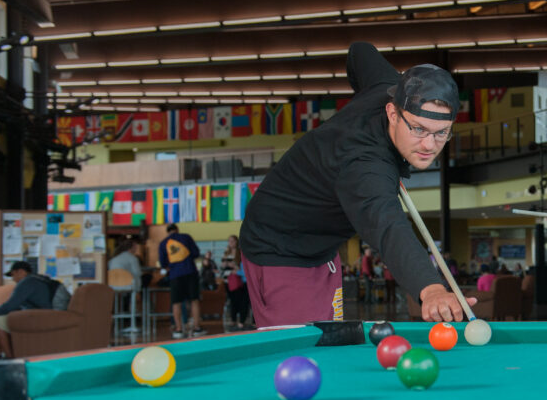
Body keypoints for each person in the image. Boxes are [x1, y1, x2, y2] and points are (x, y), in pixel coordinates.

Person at [239, 42, 475, 326]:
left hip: (321, 247)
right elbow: (390, 229)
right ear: (392, 112)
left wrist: (362, 102)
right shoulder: (366, 168)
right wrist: (432, 288)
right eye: (418, 128)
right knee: (299, 358)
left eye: (442, 133)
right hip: (279, 248)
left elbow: (360, 51)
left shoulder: (390, 85)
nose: (428, 145)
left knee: (329, 339)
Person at [0, 261, 68, 357]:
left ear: (21, 272)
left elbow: (10, 305)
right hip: (53, 315)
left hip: (39, 318)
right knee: (8, 319)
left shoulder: (26, 282)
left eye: (13, 275)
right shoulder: (42, 280)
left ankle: (10, 357)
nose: (13, 279)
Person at [158, 223, 206, 338]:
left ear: (168, 231)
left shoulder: (163, 243)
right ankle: (197, 328)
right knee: (194, 300)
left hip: (175, 275)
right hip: (190, 272)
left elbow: (163, 263)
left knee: (176, 302)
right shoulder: (186, 237)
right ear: (177, 230)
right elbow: (196, 253)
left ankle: (179, 329)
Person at [109, 239, 144, 334]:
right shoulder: (132, 258)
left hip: (113, 287)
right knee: (144, 280)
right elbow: (138, 273)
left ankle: (118, 322)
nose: (136, 248)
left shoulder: (114, 258)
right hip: (129, 286)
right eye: (135, 247)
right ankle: (135, 317)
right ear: (131, 247)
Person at [221, 236, 249, 330]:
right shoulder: (226, 253)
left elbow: (242, 269)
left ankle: (240, 321)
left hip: (237, 280)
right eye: (229, 241)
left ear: (236, 242)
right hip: (227, 280)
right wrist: (224, 265)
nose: (230, 243)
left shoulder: (240, 253)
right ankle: (233, 320)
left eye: (232, 241)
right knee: (232, 301)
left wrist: (234, 268)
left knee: (240, 301)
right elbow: (222, 267)